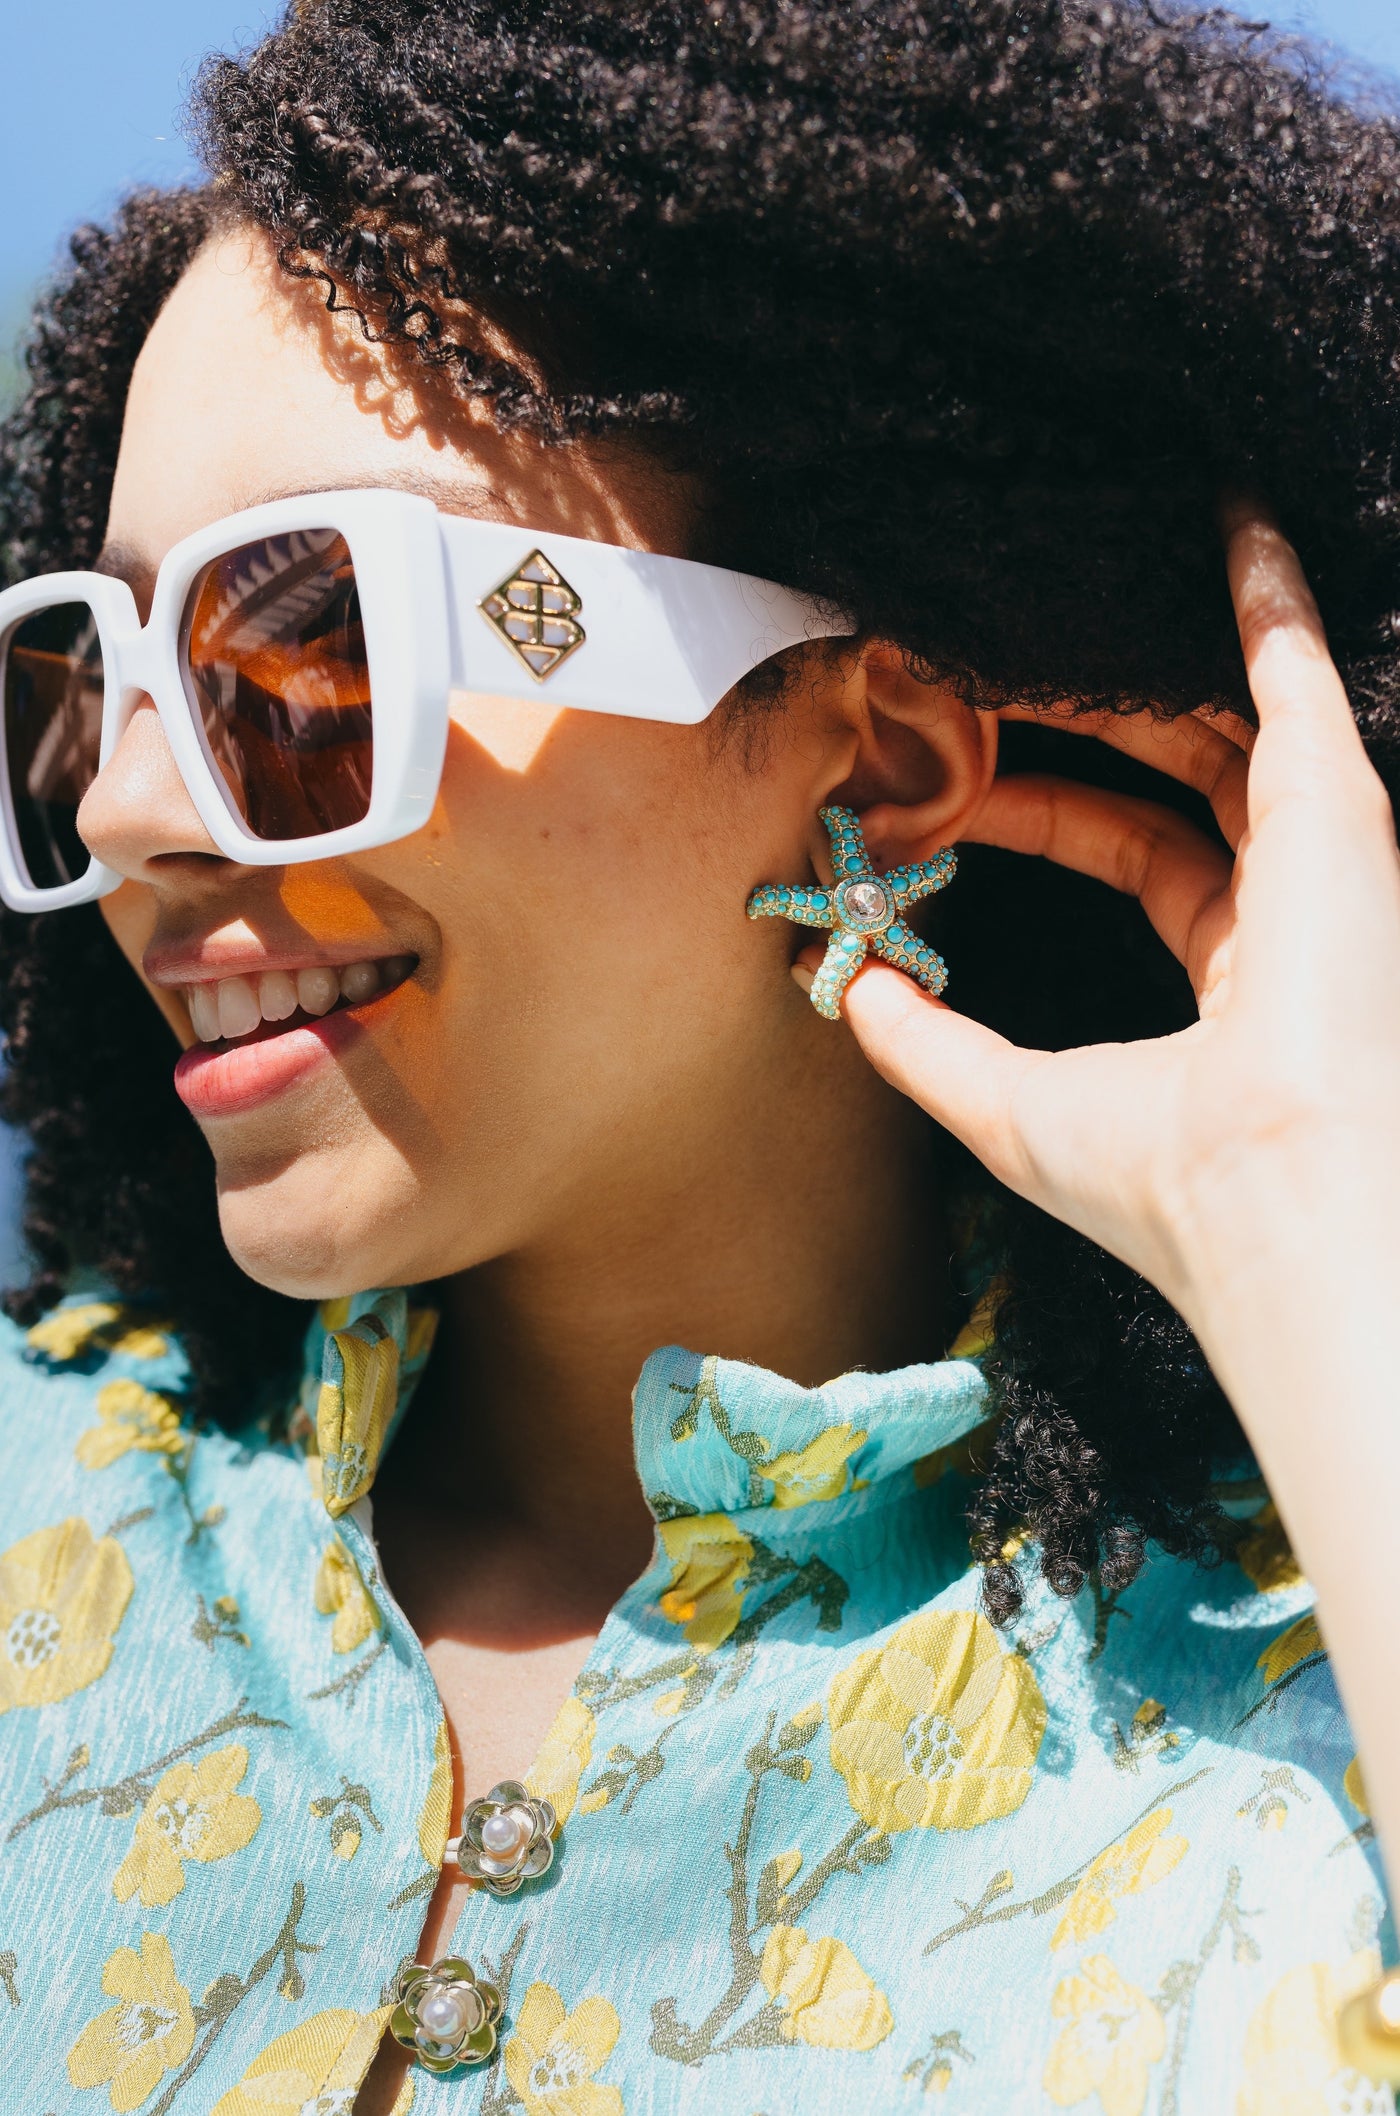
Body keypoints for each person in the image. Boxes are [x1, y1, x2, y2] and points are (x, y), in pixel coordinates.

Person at [2, 2, 1400, 2109]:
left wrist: (1302, 1203)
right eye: (79, 675)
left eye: (306, 644)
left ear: (888, 745)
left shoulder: (1300, 1727)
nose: (123, 810)